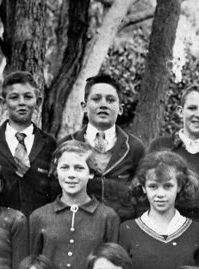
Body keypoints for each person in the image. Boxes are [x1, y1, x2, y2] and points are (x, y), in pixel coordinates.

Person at [28, 140, 120, 269]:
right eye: (64, 168)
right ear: (56, 172)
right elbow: (31, 267)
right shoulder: (39, 216)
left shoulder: (107, 217)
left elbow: (113, 268)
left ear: (91, 173)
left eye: (79, 168)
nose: (71, 175)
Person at [118, 151, 199, 269]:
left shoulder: (196, 231)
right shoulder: (127, 230)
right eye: (153, 186)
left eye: (167, 186)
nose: (160, 194)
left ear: (180, 186)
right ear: (143, 187)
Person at [58, 73, 144, 221]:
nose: (103, 105)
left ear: (120, 108)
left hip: (120, 231)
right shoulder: (66, 144)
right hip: (78, 229)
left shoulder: (134, 147)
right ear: (84, 107)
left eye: (110, 100)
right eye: (96, 99)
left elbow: (142, 196)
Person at [146, 84, 199, 224]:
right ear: (180, 111)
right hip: (166, 227)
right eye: (192, 108)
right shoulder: (160, 146)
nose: (198, 115)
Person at [0, 71, 57, 216]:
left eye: (28, 97)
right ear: (3, 103)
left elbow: (54, 191)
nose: (21, 102)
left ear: (38, 102)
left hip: (37, 227)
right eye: (14, 97)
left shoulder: (49, 143)